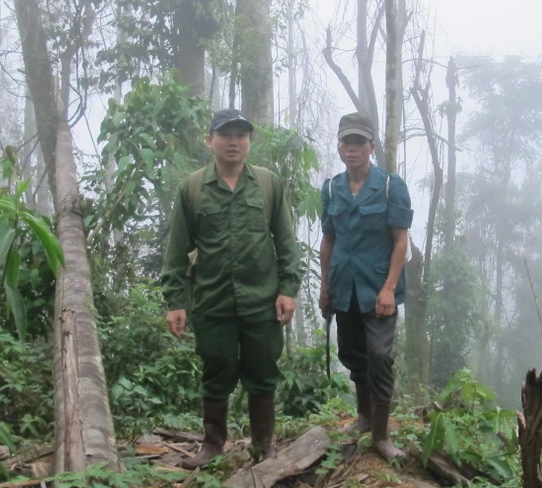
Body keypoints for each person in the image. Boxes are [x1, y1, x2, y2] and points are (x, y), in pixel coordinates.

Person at [161, 108, 302, 468]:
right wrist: (176, 302)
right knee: (215, 372)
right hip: (213, 302)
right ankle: (212, 445)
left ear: (250, 141)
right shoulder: (192, 188)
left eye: (241, 134)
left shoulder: (268, 184)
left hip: (262, 303)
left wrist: (288, 289)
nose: (234, 141)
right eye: (225, 134)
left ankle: (263, 445)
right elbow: (176, 251)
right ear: (210, 141)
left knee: (263, 374)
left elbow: (286, 242)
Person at [318, 112, 413, 460]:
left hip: (378, 287)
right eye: (347, 142)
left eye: (359, 142)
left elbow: (400, 240)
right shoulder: (331, 188)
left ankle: (381, 436)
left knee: (380, 356)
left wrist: (389, 288)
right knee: (354, 355)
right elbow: (328, 240)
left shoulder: (390, 186)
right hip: (344, 287)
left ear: (371, 146)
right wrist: (325, 287)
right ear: (339, 147)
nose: (352, 148)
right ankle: (363, 417)